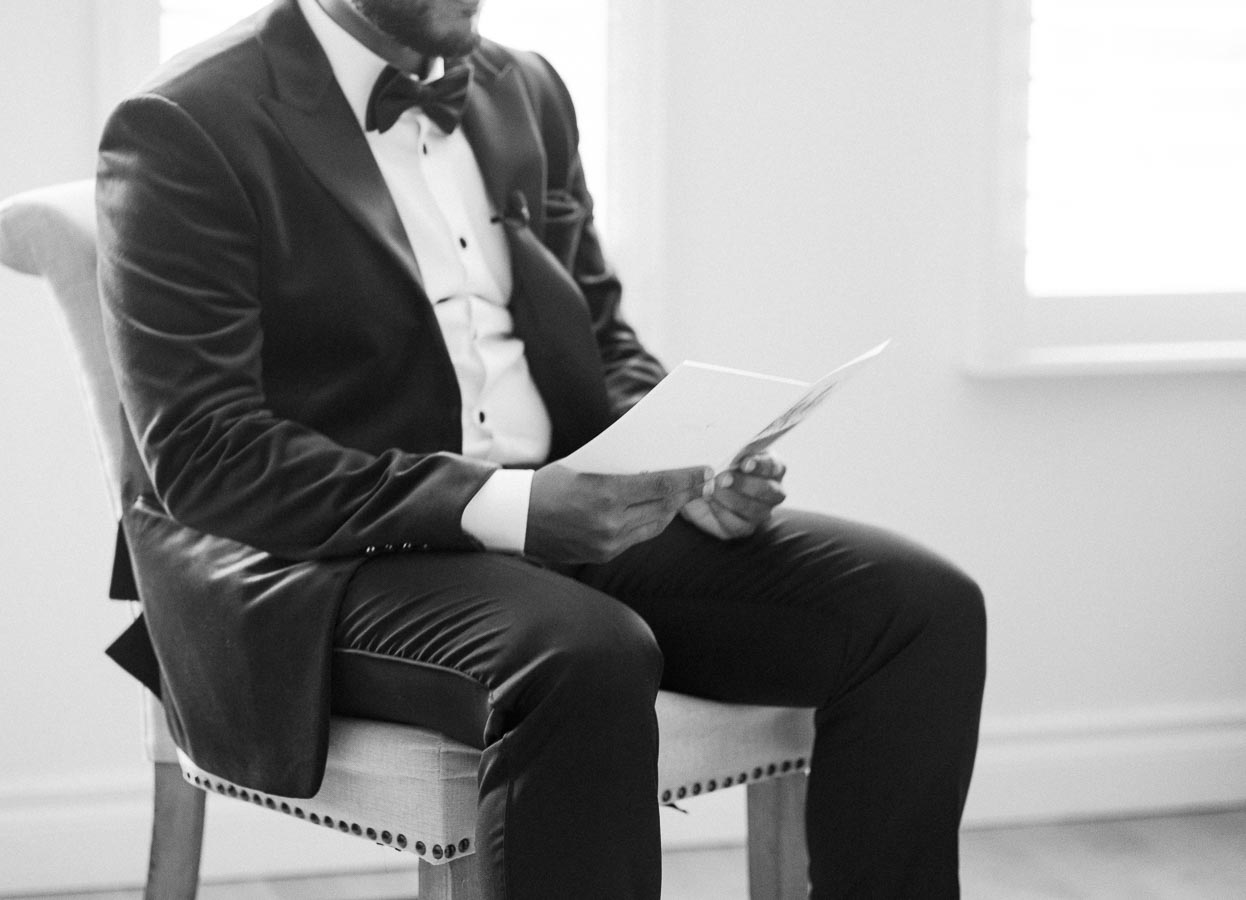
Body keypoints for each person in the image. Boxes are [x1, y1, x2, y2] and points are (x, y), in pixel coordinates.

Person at [96, 0, 987, 896]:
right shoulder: (184, 125)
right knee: (584, 655)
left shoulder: (525, 87)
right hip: (317, 560)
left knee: (918, 609)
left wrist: (681, 461)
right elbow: (206, 455)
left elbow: (598, 332)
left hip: (555, 511)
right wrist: (512, 508)